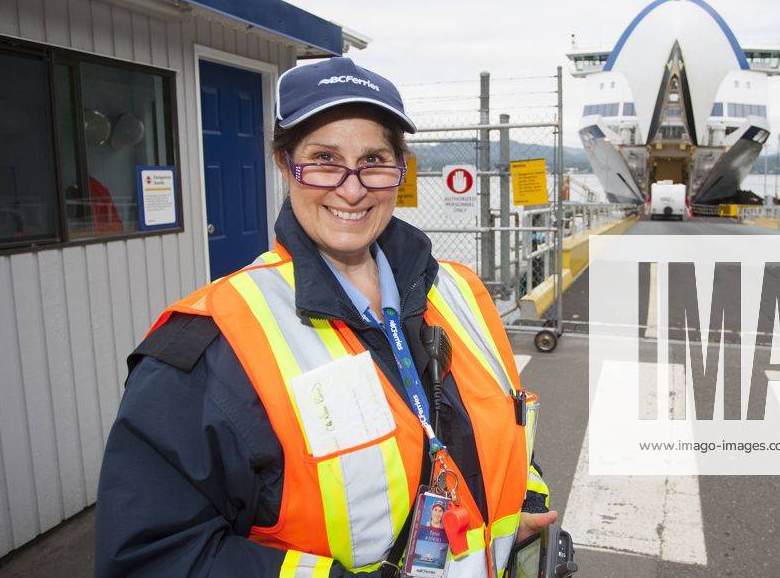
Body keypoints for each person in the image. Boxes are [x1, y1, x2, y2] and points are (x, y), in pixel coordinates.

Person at [95, 57, 556, 577]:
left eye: (375, 160)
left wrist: (521, 514)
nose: (352, 187)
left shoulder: (462, 293)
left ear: (399, 169)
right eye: (324, 159)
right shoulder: (209, 345)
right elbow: (150, 559)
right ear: (283, 161)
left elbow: (509, 433)